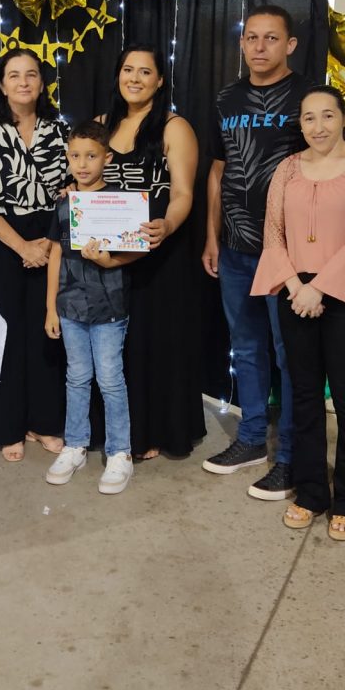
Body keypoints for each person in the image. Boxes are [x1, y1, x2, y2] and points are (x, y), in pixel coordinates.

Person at [251, 85, 345, 540]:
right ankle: (311, 492)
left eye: (328, 115)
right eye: (309, 118)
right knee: (304, 394)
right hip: (295, 293)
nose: (318, 126)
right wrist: (296, 287)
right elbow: (273, 233)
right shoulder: (288, 168)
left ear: (343, 118)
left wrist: (318, 289)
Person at [201, 5, 311, 498]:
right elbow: (218, 170)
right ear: (242, 43)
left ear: (290, 45)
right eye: (251, 37)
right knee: (245, 349)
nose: (259, 46)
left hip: (287, 254)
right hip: (235, 248)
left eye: (271, 38)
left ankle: (290, 456)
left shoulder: (308, 96)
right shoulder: (226, 97)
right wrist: (212, 236)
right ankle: (250, 441)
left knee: (289, 355)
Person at [98, 42, 206, 458]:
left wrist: (168, 225)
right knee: (115, 349)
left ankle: (157, 431)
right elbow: (84, 179)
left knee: (157, 342)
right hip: (108, 259)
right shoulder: (100, 125)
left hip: (160, 253)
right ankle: (118, 432)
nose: (135, 78)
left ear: (160, 81)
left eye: (145, 72)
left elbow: (182, 193)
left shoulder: (174, 127)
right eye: (128, 69)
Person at [0, 49, 68, 461]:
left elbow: (71, 189)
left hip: (48, 239)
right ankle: (6, 426)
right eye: (14, 75)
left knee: (45, 332)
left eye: (32, 74)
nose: (23, 82)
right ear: (2, 85)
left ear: (42, 83)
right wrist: (23, 247)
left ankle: (43, 422)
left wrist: (47, 243)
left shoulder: (59, 131)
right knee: (2, 335)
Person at [45, 120, 141, 494]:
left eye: (91, 156)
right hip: (70, 307)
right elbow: (55, 255)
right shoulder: (64, 203)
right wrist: (51, 308)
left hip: (109, 308)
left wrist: (108, 260)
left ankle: (120, 453)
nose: (82, 164)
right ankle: (75, 445)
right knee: (76, 376)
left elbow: (136, 250)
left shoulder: (122, 202)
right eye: (75, 156)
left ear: (107, 158)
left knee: (111, 379)